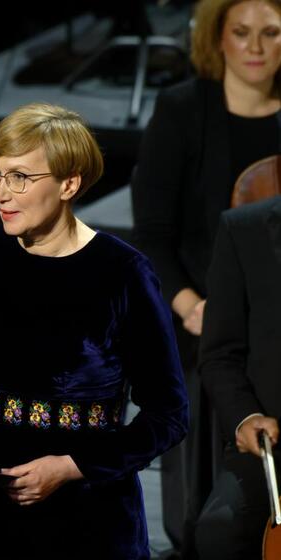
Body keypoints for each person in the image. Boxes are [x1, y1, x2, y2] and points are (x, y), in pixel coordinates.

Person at [0, 103, 189, 559]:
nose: (1, 193)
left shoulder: (123, 272)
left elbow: (168, 416)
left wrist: (71, 467)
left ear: (69, 184)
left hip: (87, 523)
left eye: (20, 177)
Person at [130, 0, 281, 552]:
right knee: (205, 376)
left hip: (271, 316)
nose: (256, 47)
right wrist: (192, 305)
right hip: (197, 309)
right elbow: (152, 234)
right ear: (218, 37)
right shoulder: (182, 109)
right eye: (242, 32)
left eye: (272, 33)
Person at [196, 195, 281, 559]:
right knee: (220, 530)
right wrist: (246, 417)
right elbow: (219, 355)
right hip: (273, 443)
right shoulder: (243, 229)